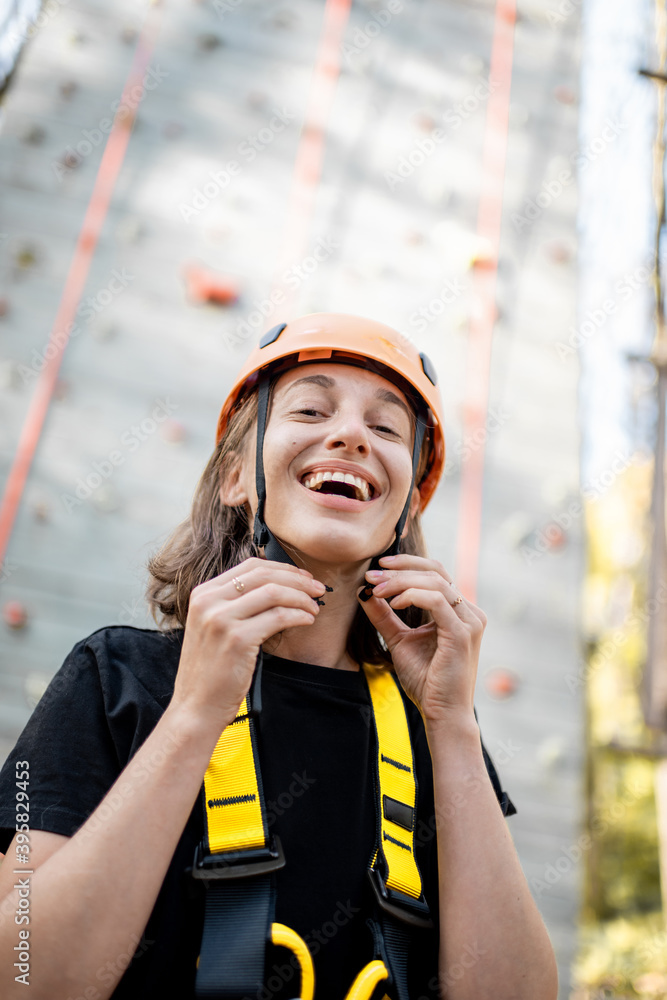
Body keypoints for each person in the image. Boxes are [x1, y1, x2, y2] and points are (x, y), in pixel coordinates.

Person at [0, 313, 558, 1000]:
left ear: (405, 507)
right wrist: (195, 713)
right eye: (311, 410)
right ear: (237, 474)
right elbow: (22, 979)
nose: (351, 434)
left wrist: (452, 725)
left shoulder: (433, 728)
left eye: (385, 429)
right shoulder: (113, 680)